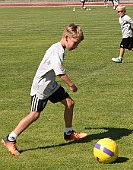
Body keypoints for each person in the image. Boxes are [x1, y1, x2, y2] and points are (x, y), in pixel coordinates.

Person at [2, 24, 87, 156]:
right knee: (34, 114)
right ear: (66, 37)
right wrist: (72, 85)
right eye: (75, 43)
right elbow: (60, 72)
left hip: (51, 86)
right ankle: (10, 138)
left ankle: (68, 133)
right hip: (41, 88)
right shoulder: (55, 51)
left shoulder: (60, 48)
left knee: (70, 103)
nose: (76, 46)